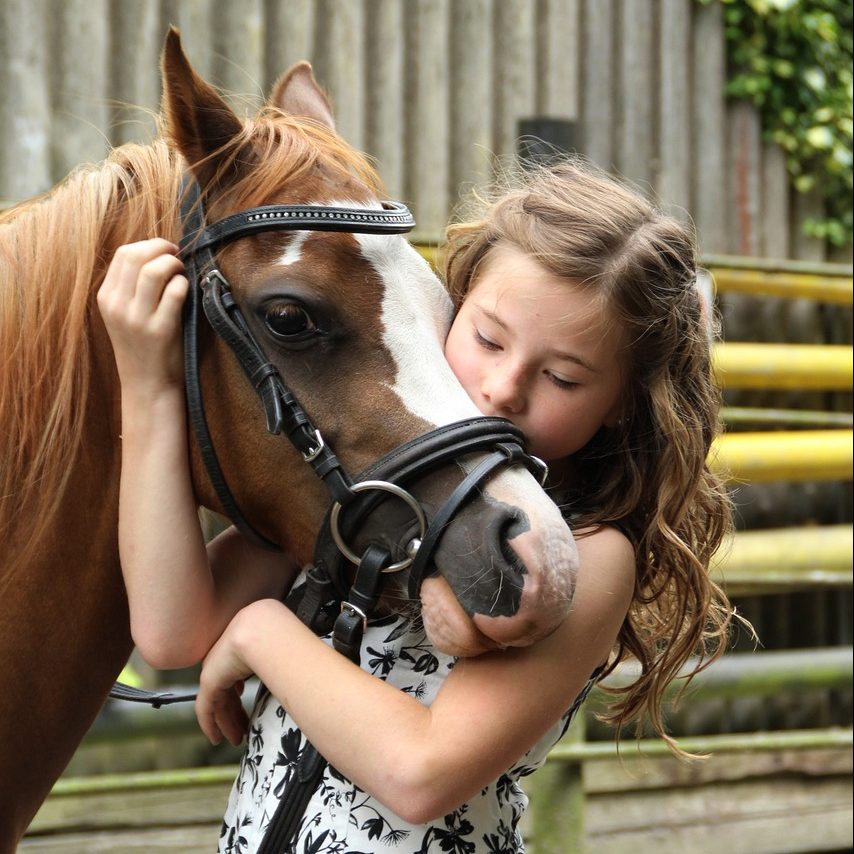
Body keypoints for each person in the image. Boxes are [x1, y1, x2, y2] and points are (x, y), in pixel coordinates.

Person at [97, 157, 736, 853]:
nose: (503, 388)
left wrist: (259, 632)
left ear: (622, 402)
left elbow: (421, 773)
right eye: (487, 338)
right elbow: (173, 631)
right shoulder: (365, 494)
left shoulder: (591, 552)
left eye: (561, 377)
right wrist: (147, 383)